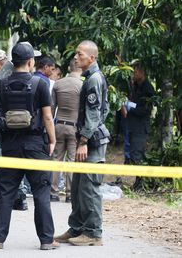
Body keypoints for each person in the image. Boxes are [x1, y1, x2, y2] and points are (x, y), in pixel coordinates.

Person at [0, 42, 58, 251]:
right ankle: (46, 240)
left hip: (10, 146)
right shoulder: (40, 84)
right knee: (41, 193)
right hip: (35, 144)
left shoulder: (3, 84)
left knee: (7, 193)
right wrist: (52, 140)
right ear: (30, 61)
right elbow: (47, 116)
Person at [55, 40, 110, 246]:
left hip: (92, 141)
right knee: (78, 186)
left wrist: (84, 141)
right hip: (84, 138)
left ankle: (94, 233)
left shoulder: (95, 79)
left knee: (89, 187)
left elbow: (95, 114)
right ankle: (77, 227)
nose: (76, 57)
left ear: (91, 58)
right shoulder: (90, 78)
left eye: (79, 54)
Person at [0, 49, 29, 212]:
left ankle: (2, 198)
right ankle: (20, 198)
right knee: (16, 162)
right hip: (16, 126)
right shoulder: (15, 78)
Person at [50, 60, 83, 203]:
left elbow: (51, 108)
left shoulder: (58, 84)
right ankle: (70, 194)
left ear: (69, 68)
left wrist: (50, 128)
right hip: (74, 127)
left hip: (59, 125)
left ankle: (53, 192)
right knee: (71, 160)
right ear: (80, 68)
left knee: (56, 158)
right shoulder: (82, 85)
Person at [120, 62, 154, 189]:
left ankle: (141, 183)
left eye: (135, 72)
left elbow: (146, 110)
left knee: (137, 154)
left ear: (141, 72)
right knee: (134, 154)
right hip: (132, 126)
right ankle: (138, 182)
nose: (133, 75)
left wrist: (131, 107)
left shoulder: (148, 89)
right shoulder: (135, 86)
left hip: (140, 127)